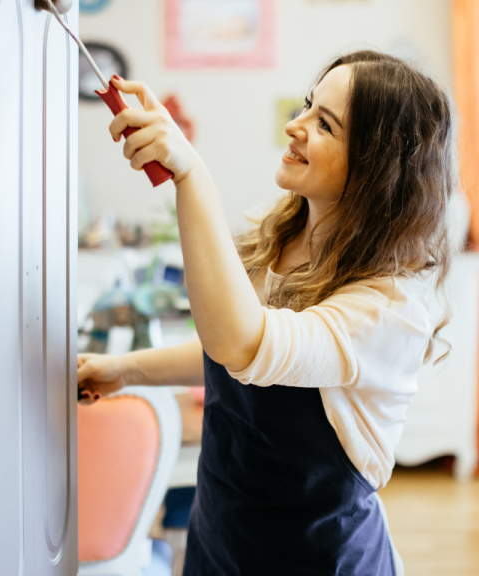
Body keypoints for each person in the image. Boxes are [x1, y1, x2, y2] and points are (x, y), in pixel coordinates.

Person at [77, 50, 457, 576]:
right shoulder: (279, 236)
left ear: (377, 168)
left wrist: (191, 174)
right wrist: (124, 370)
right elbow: (225, 353)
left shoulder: (391, 307)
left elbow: (245, 344)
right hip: (220, 540)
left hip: (316, 560)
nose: (295, 126)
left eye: (325, 124)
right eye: (308, 106)